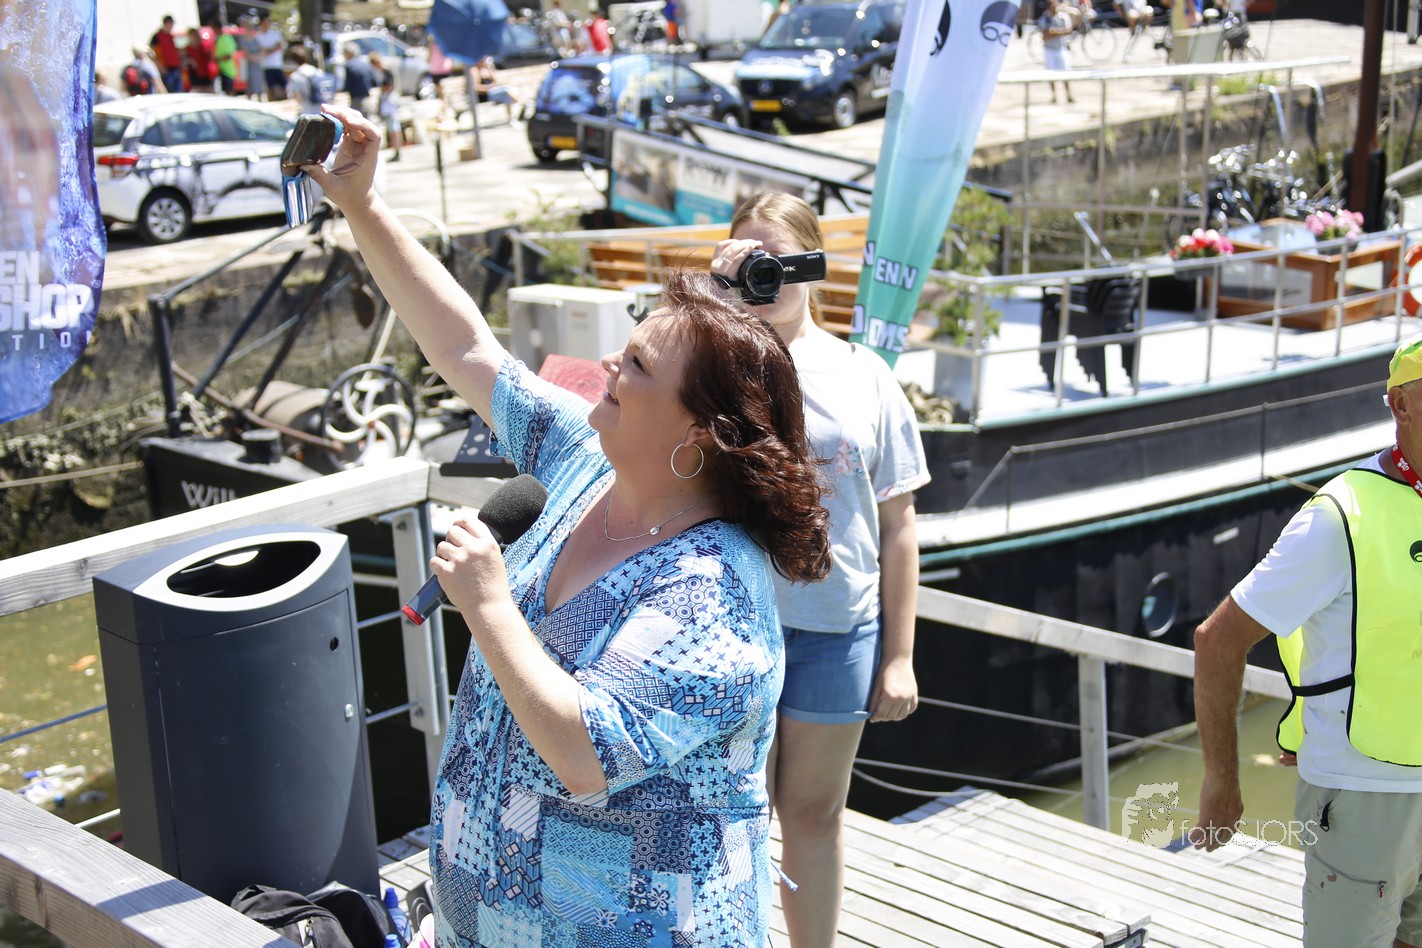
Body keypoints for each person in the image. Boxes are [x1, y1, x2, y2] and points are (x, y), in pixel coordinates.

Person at [299, 103, 831, 946]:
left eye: (639, 364)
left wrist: (488, 604)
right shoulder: (587, 459)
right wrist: (364, 205)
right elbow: (469, 352)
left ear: (699, 434)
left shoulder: (714, 588)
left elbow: (586, 755)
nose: (610, 364)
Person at [710, 192, 929, 948]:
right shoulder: (713, 366)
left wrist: (899, 657)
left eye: (778, 259)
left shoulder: (866, 374)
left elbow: (898, 526)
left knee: (812, 815)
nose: (765, 276)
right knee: (732, 816)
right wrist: (715, 302)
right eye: (749, 260)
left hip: (839, 631)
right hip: (734, 626)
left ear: (812, 264)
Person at [1193, 336, 1422, 947]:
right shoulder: (1340, 515)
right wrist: (1222, 779)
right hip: (1363, 791)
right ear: (1400, 404)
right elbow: (1218, 641)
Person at [1038, 0, 1075, 104]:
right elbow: (1045, 35)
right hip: (1049, 49)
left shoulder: (1062, 17)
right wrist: (1056, 32)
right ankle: (1054, 95)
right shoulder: (1045, 18)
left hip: (1061, 48)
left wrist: (1055, 32)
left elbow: (1068, 30)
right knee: (1051, 74)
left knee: (1065, 73)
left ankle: (1068, 94)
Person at [472, 56, 522, 124]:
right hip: (482, 96)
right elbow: (474, 88)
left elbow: (497, 82)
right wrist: (488, 87)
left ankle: (511, 118)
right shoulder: (474, 71)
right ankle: (521, 103)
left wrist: (490, 70)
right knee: (506, 91)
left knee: (509, 93)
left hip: (491, 92)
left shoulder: (485, 70)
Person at [254, 15, 287, 101]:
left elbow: (279, 46)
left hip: (276, 64)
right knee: (270, 87)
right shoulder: (258, 35)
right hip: (265, 65)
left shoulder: (275, 34)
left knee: (284, 85)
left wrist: (267, 51)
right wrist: (269, 50)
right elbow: (259, 48)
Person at [150, 15, 183, 95]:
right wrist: (159, 65)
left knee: (179, 92)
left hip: (176, 68)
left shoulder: (172, 36)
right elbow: (151, 51)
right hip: (166, 69)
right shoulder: (157, 36)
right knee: (170, 92)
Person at [342, 46, 376, 117]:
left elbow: (347, 84)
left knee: (355, 120)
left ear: (349, 53)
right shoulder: (366, 64)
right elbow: (374, 82)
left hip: (356, 99)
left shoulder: (350, 65)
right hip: (367, 98)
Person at [239, 14, 266, 99]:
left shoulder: (256, 39)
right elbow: (246, 54)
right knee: (250, 86)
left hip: (257, 65)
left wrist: (257, 57)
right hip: (249, 66)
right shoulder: (243, 40)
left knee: (259, 86)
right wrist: (255, 57)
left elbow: (262, 51)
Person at [377, 74, 402, 161]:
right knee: (392, 133)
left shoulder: (392, 96)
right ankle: (396, 150)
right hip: (388, 116)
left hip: (392, 116)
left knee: (395, 132)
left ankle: (397, 150)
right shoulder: (384, 95)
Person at [184, 25, 216, 94]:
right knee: (198, 92)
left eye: (196, 35)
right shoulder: (187, 49)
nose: (196, 37)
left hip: (206, 73)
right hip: (195, 74)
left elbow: (211, 57)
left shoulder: (203, 46)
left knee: (209, 91)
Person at [213, 25, 239, 95]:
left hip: (228, 70)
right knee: (226, 91)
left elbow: (229, 55)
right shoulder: (219, 39)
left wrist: (218, 59)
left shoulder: (226, 38)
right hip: (223, 70)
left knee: (229, 90)